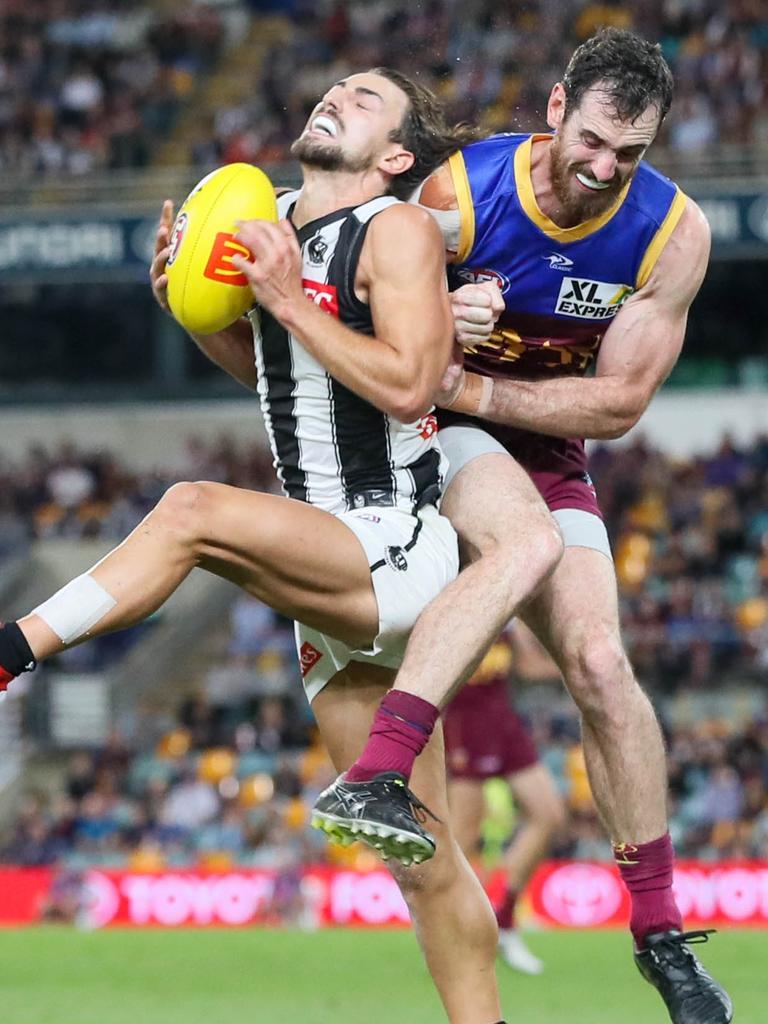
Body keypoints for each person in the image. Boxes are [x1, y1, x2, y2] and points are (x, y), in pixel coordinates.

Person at [0, 69, 541, 1024]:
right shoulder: (275, 218)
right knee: (421, 853)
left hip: (395, 542)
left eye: (366, 98)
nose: (337, 94)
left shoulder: (397, 229)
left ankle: (12, 652)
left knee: (191, 508)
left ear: (396, 157)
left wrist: (288, 300)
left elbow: (414, 387)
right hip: (330, 578)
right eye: (338, 85)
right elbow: (276, 372)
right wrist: (191, 304)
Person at [316, 30, 732, 1024]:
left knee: (598, 661)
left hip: (538, 441)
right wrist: (430, 323)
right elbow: (363, 311)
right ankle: (380, 766)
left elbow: (617, 403)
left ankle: (662, 936)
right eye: (591, 140)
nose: (602, 170)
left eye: (627, 156)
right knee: (527, 544)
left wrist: (476, 374)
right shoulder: (459, 194)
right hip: (437, 429)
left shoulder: (674, 233)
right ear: (556, 107)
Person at [444, 628, 565, 975]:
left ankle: (504, 915)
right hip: (465, 721)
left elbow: (529, 666)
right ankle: (456, 932)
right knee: (463, 834)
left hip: (502, 719)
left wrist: (581, 659)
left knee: (550, 815)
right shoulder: (449, 595)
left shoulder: (508, 601)